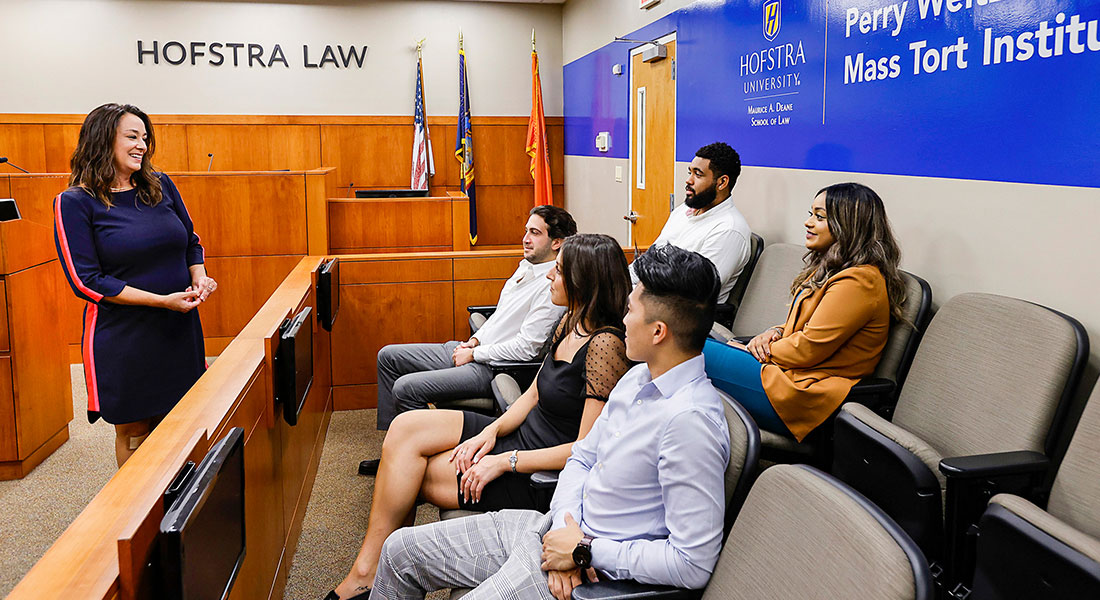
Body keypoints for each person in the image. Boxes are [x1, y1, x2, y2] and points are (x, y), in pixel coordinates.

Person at [358, 244, 730, 600]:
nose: (624, 318)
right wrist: (565, 531)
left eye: (631, 310)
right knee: (398, 550)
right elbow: (583, 458)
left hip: (592, 571)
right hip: (551, 528)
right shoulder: (637, 380)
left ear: (658, 331)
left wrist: (584, 552)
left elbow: (692, 564)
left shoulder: (690, 423)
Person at [327, 233, 633, 600]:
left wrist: (504, 461)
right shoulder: (569, 320)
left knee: (412, 474)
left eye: (560, 271)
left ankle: (369, 577)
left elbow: (584, 449)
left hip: (535, 470)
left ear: (585, 281)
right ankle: (370, 573)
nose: (550, 275)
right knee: (405, 428)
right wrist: (490, 431)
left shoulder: (605, 345)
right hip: (515, 438)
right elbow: (534, 392)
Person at [359, 205, 577, 476]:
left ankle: (413, 465)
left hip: (495, 366)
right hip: (478, 348)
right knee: (389, 356)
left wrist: (476, 354)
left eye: (535, 233)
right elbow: (499, 318)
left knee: (406, 389)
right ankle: (394, 450)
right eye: (526, 231)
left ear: (557, 242)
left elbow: (526, 348)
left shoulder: (552, 287)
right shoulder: (526, 266)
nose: (525, 238)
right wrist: (473, 342)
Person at [53, 103, 215, 467]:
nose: (142, 145)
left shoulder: (161, 186)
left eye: (145, 137)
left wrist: (199, 275)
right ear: (102, 140)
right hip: (126, 337)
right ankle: (142, 521)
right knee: (136, 433)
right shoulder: (75, 202)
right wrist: (161, 301)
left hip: (179, 330)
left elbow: (191, 241)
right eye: (132, 136)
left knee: (181, 424)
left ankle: (181, 517)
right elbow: (86, 281)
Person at [702, 182, 908, 441]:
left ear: (848, 226)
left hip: (802, 397)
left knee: (686, 346)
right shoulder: (836, 269)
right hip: (786, 377)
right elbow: (807, 327)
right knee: (691, 341)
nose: (808, 223)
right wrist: (773, 333)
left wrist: (752, 351)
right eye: (811, 214)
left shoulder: (860, 282)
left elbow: (807, 349)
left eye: (820, 217)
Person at [632, 141, 752, 304]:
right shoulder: (683, 211)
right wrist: (622, 280)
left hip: (677, 311)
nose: (689, 180)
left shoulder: (729, 229)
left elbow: (695, 290)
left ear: (722, 182)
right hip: (648, 293)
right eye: (690, 172)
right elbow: (653, 254)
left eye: (698, 174)